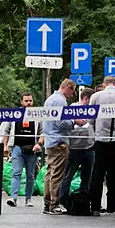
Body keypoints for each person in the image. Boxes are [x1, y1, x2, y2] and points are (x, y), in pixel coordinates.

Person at [88, 75, 115, 215]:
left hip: (100, 140)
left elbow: (91, 118)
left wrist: (94, 135)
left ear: (104, 84)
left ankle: (95, 207)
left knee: (98, 175)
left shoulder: (96, 96)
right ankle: (114, 206)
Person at [1, 92, 44, 207]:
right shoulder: (15, 114)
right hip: (17, 148)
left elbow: (42, 132)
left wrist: (39, 144)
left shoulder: (37, 115)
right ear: (21, 102)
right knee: (16, 173)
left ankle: (28, 199)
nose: (29, 103)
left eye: (30, 100)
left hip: (32, 149)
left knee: (30, 175)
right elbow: (6, 131)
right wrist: (5, 146)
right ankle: (13, 198)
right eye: (26, 101)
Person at [42, 78, 78, 215]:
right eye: (72, 91)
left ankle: (47, 202)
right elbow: (62, 123)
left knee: (49, 173)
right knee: (57, 174)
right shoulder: (61, 101)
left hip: (50, 140)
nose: (72, 95)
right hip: (59, 141)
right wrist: (74, 121)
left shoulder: (49, 99)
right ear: (67, 87)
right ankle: (54, 204)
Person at [59, 87, 96, 212]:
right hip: (74, 148)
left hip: (89, 147)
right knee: (68, 175)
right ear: (86, 98)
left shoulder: (91, 110)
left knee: (87, 177)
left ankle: (83, 201)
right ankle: (63, 202)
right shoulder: (73, 109)